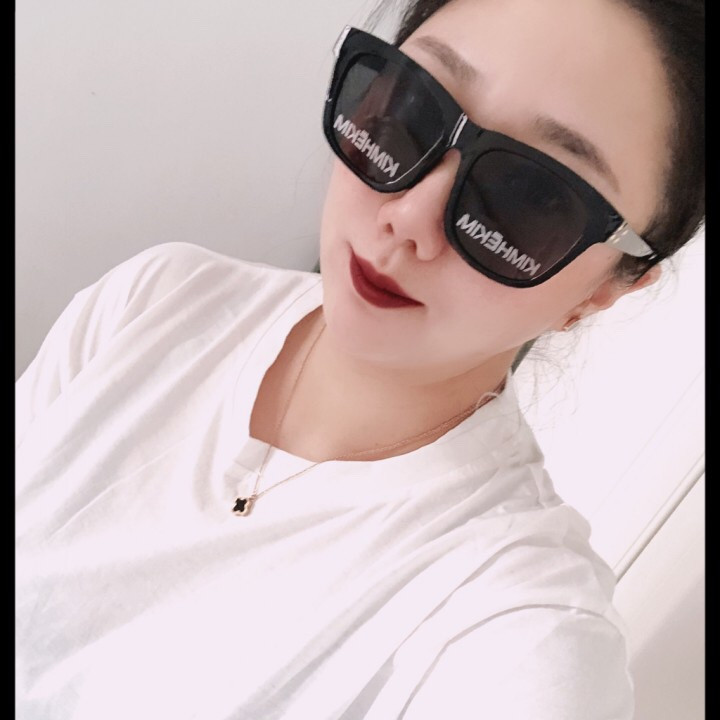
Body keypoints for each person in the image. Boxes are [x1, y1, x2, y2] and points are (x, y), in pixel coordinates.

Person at [16, 0, 704, 718]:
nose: (408, 217)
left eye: (531, 196)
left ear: (605, 289)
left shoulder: (521, 640)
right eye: (414, 107)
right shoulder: (159, 301)